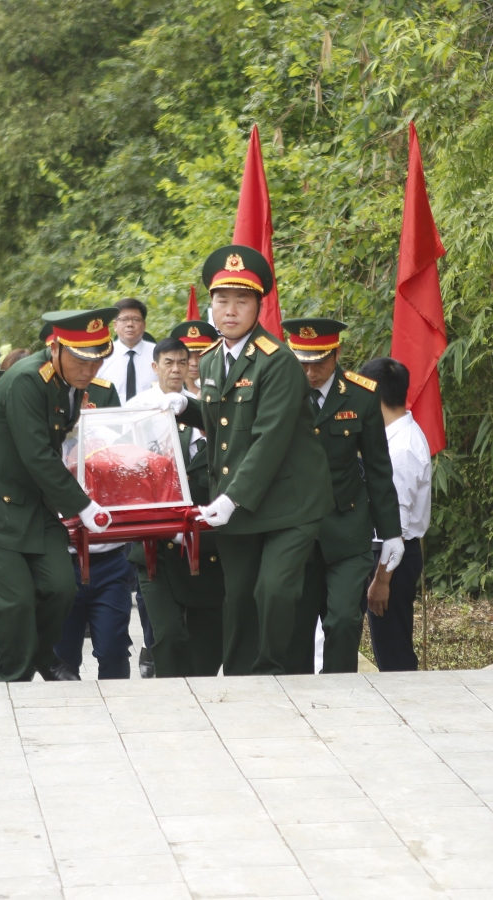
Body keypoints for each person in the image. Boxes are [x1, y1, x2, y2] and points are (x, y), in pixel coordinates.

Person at [166, 247, 333, 676]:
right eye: (222, 300)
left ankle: (271, 670)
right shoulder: (211, 360)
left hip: (288, 502)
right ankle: (241, 676)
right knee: (237, 594)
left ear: (259, 306)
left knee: (273, 590)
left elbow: (268, 439)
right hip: (240, 502)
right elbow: (226, 424)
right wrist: (183, 407)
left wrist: (231, 498)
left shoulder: (277, 361)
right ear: (211, 305)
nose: (230, 310)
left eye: (242, 301)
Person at [0, 308, 119, 682]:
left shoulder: (69, 384)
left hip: (31, 502)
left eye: (98, 361)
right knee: (16, 602)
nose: (90, 371)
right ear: (55, 348)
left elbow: (64, 444)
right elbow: (37, 455)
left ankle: (38, 656)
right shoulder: (28, 379)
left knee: (60, 587)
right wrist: (83, 506)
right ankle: (11, 678)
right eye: (81, 360)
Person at [277, 318, 404, 674]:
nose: (310, 371)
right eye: (302, 362)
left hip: (347, 528)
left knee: (345, 620)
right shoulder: (280, 392)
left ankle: (340, 699)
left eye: (319, 361)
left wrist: (391, 532)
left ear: (337, 353)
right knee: (296, 631)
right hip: (294, 529)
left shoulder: (361, 395)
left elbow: (379, 469)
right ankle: (298, 706)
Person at [126, 335, 224, 677]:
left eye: (182, 362)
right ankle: (171, 696)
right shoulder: (139, 409)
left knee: (207, 642)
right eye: (168, 362)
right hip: (157, 543)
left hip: (202, 539)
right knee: (167, 636)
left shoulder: (205, 408)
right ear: (155, 367)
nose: (176, 369)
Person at [52, 361, 130, 679]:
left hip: (109, 558)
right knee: (63, 658)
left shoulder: (108, 437)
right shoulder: (41, 438)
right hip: (60, 558)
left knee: (113, 649)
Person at [358, 356, 432, 672]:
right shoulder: (394, 437)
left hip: (391, 559)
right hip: (383, 554)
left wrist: (382, 580)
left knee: (393, 651)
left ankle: (408, 710)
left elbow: (396, 528)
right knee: (387, 644)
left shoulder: (400, 451)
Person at [96, 297, 157, 402]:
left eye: (135, 319)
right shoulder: (101, 355)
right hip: (111, 416)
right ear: (115, 325)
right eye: (124, 319)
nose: (130, 324)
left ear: (144, 325)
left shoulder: (158, 354)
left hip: (150, 417)